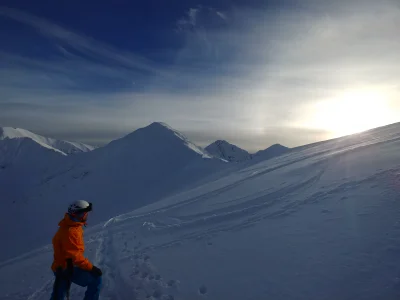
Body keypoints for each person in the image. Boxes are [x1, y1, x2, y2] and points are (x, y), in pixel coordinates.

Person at [50, 200, 102, 300]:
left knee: (58, 294)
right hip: (66, 267)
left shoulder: (71, 224)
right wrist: (92, 268)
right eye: (86, 213)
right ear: (80, 214)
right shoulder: (71, 231)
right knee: (96, 279)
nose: (87, 216)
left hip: (62, 266)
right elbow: (75, 257)